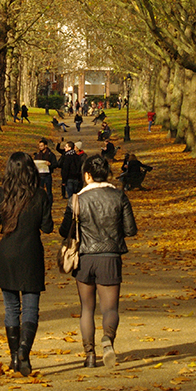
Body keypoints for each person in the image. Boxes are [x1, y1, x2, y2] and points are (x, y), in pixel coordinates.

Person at [59, 154, 137, 369]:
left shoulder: (77, 199)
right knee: (110, 309)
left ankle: (89, 355)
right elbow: (131, 230)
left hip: (84, 258)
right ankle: (108, 341)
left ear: (87, 175)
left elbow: (63, 230)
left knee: (87, 308)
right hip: (110, 258)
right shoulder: (119, 197)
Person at [0, 153, 54, 376]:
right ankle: (25, 350)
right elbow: (47, 228)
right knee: (30, 308)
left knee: (11, 308)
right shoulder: (40, 195)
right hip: (31, 254)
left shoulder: (1, 194)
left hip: (6, 255)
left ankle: (15, 356)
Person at [33, 137, 58, 206]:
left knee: (49, 190)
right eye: (39, 146)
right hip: (39, 175)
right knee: (39, 190)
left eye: (41, 146)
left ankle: (49, 203)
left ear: (45, 146)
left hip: (47, 175)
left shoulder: (51, 155)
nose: (40, 147)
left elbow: (55, 164)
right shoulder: (37, 155)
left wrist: (50, 164)